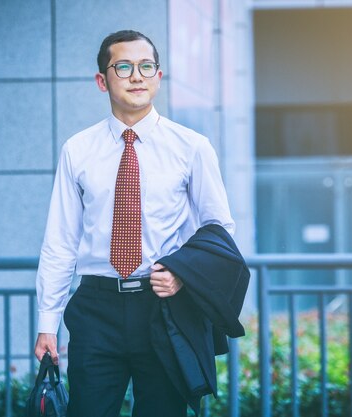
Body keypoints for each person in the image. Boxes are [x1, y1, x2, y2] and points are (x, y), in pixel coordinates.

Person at [34, 29, 235, 417]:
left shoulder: (192, 147)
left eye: (147, 67)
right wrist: (47, 323)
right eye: (123, 67)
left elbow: (219, 230)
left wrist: (182, 274)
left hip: (164, 309)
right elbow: (60, 242)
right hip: (96, 307)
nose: (137, 76)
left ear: (159, 77)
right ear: (102, 80)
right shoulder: (78, 150)